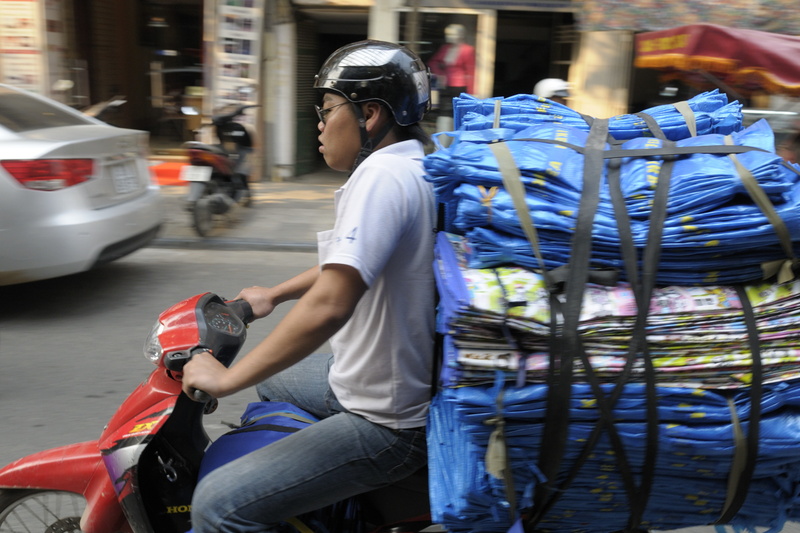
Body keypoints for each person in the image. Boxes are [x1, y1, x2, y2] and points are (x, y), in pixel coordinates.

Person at [182, 39, 436, 532]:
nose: (319, 124)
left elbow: (330, 306)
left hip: (386, 421)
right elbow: (351, 261)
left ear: (370, 114)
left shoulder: (381, 177)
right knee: (275, 379)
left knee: (217, 505)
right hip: (384, 381)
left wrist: (224, 379)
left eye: (327, 109)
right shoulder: (413, 161)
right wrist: (274, 294)